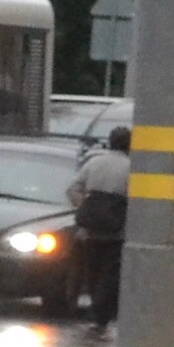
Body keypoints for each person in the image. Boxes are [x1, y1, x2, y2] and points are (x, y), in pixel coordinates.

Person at [67, 124, 133, 330]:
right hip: (115, 229)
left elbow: (73, 189)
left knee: (92, 269)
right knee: (111, 272)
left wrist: (85, 207)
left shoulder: (94, 163)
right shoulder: (131, 167)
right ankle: (99, 313)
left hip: (90, 227)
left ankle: (95, 308)